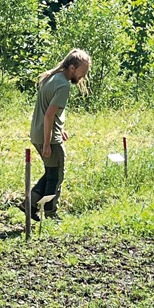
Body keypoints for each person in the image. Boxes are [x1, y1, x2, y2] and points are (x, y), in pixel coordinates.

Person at [29, 49, 92, 218]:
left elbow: (48, 110)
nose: (83, 77)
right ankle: (47, 211)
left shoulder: (52, 77)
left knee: (52, 172)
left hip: (38, 133)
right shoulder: (63, 85)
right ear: (72, 68)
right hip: (47, 136)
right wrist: (48, 143)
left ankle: (32, 204)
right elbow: (49, 114)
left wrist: (60, 128)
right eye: (82, 72)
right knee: (56, 175)